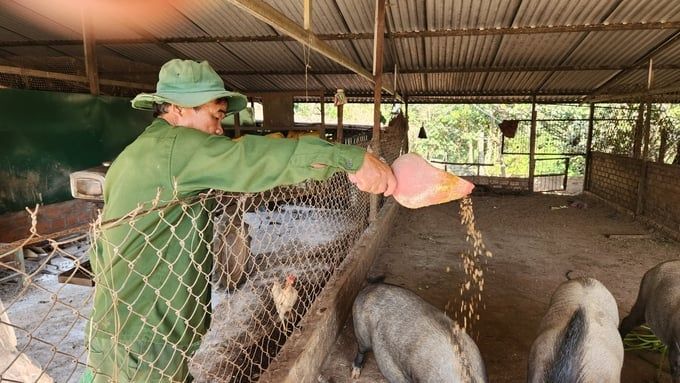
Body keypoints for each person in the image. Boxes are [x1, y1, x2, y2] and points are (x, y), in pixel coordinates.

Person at [82, 59, 396, 382]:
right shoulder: (175, 148)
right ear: (177, 109)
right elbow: (249, 158)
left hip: (125, 334)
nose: (219, 128)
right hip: (145, 348)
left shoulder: (138, 154)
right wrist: (349, 159)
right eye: (214, 116)